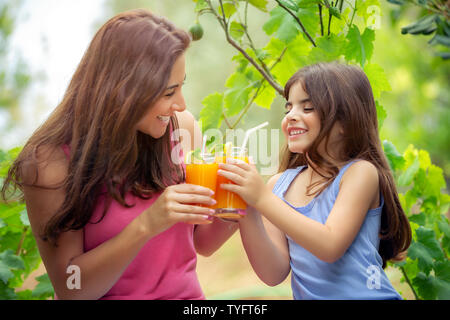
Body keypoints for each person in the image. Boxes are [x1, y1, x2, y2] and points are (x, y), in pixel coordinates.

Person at [1, 9, 238, 300]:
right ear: (124, 90)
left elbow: (203, 243)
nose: (181, 104)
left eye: (181, 87)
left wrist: (236, 207)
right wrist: (146, 225)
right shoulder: (49, 164)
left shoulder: (181, 129)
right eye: (168, 93)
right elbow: (72, 289)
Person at [217, 62, 412, 300]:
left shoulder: (360, 174)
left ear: (344, 122)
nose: (291, 117)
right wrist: (248, 211)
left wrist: (261, 199)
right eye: (288, 108)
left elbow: (330, 245)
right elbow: (273, 273)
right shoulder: (278, 186)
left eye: (307, 108)